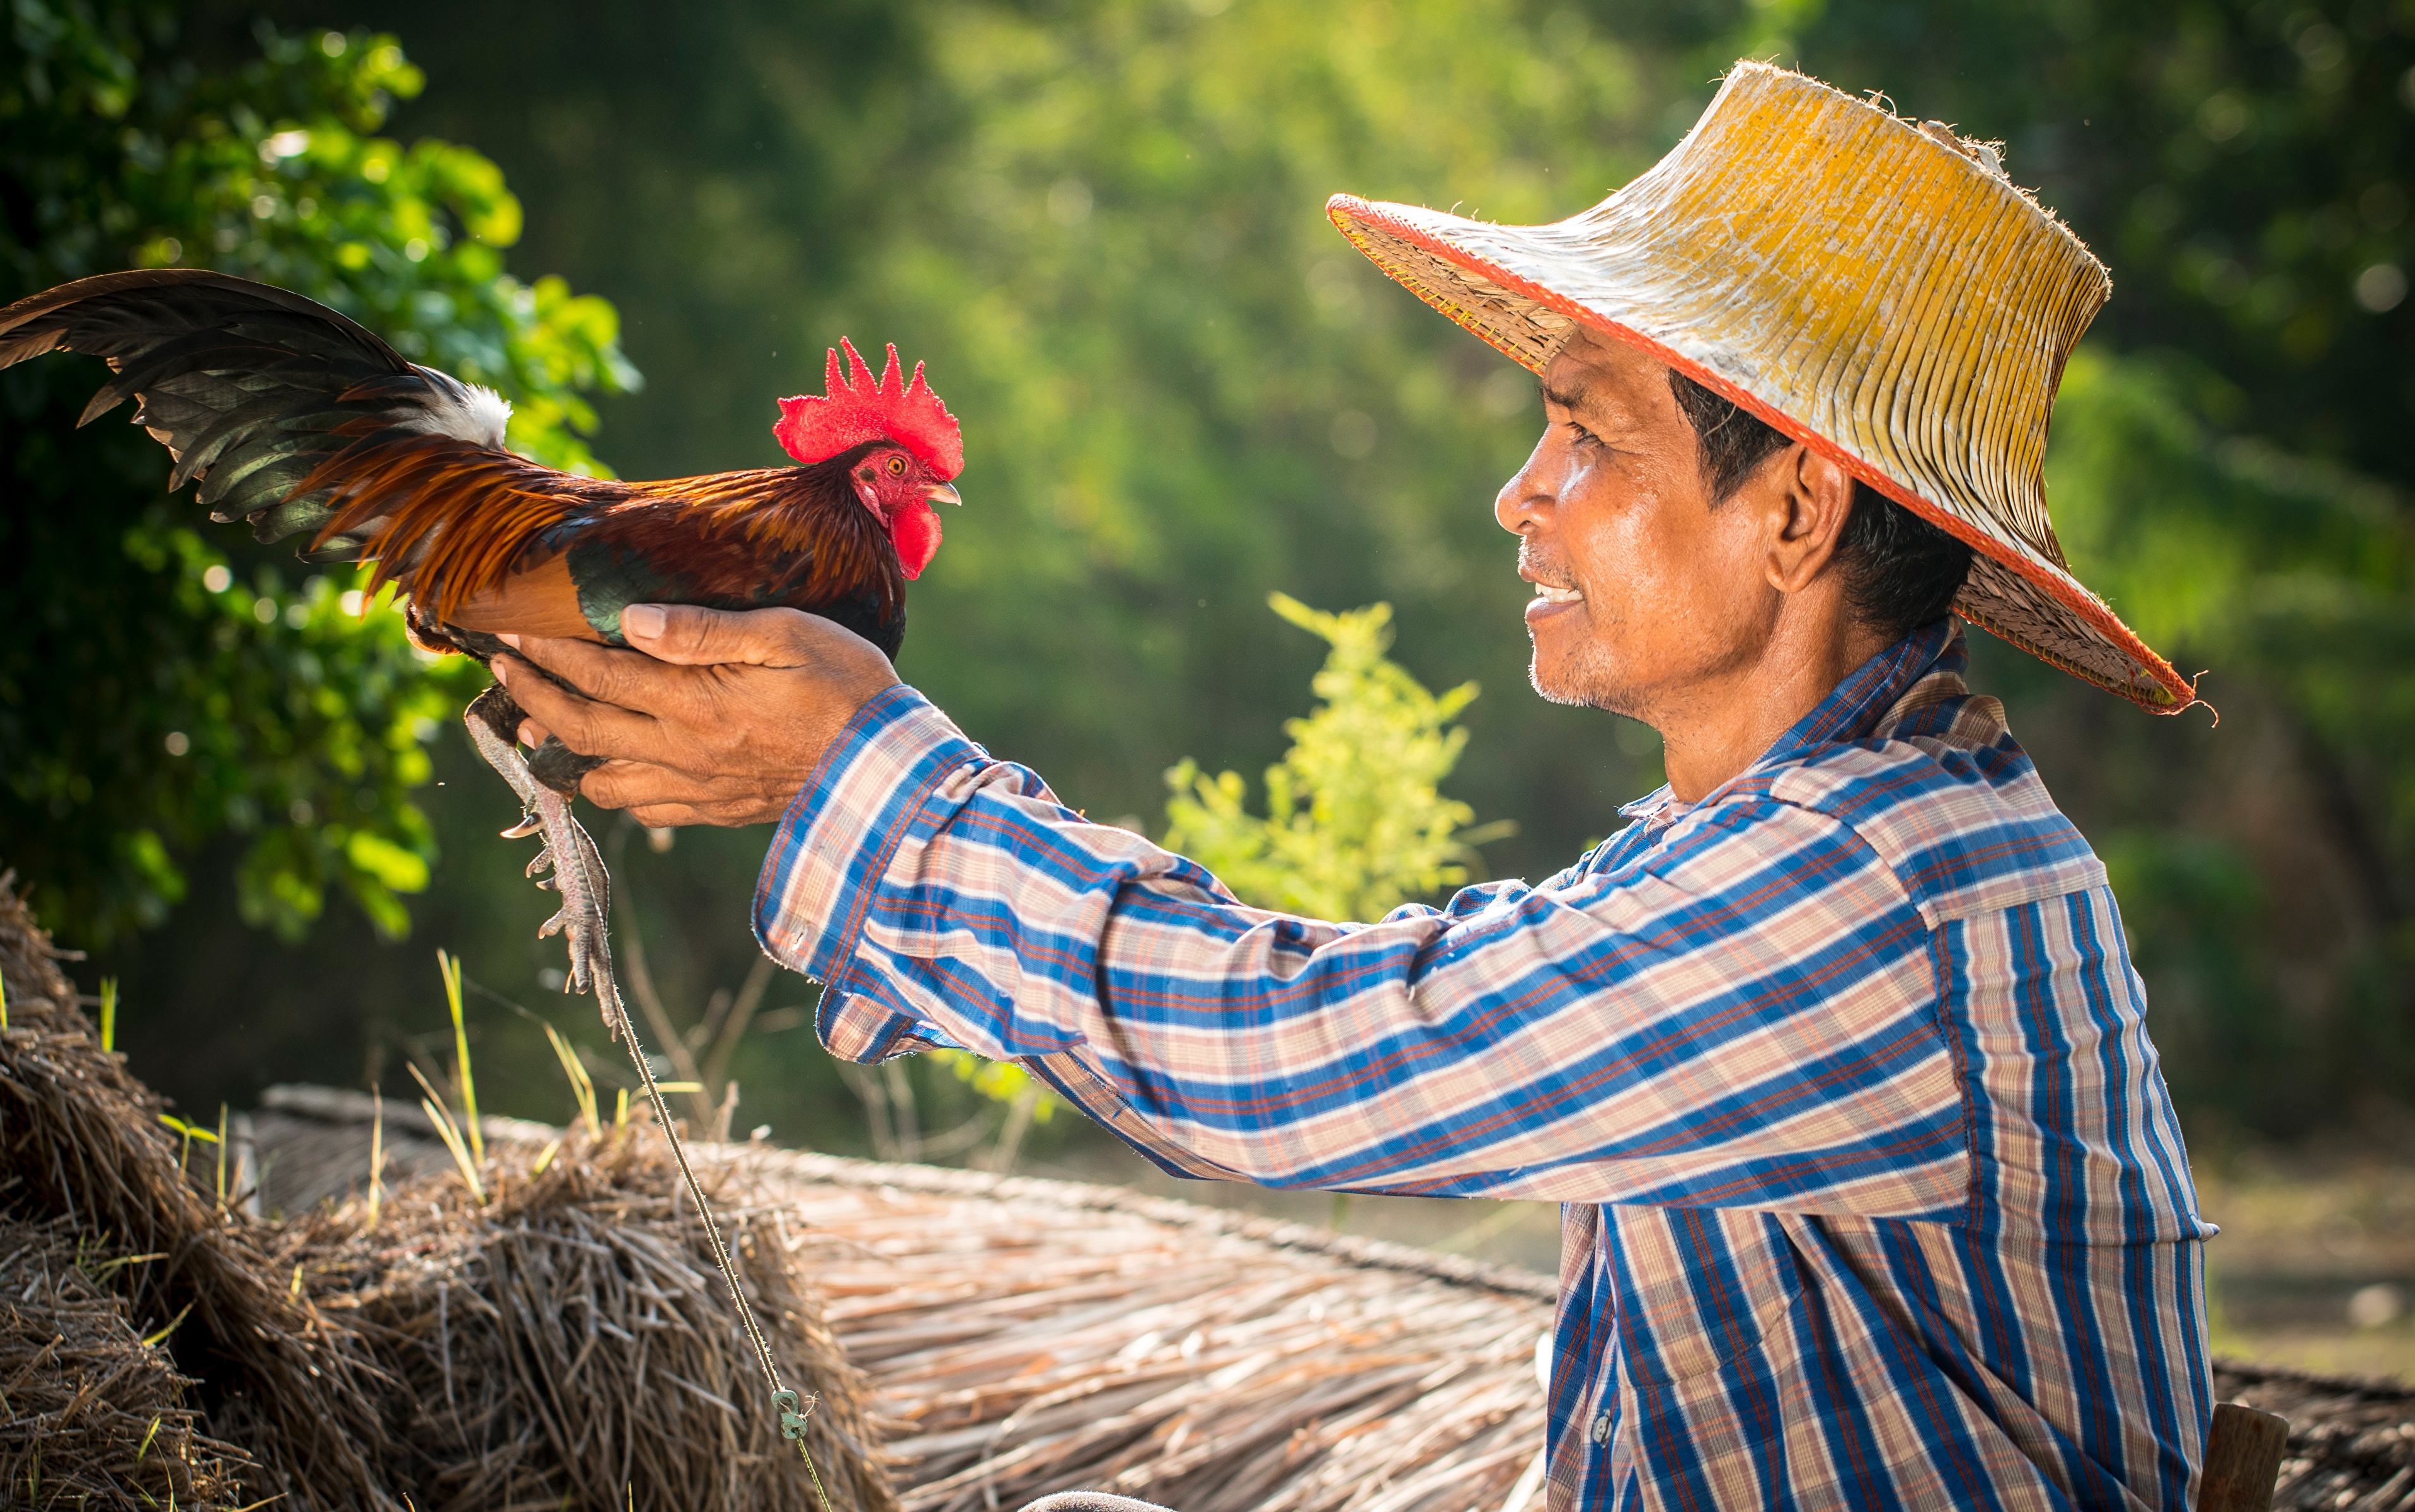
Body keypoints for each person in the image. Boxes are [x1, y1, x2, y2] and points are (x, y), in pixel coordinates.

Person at [495, 61, 2216, 1511]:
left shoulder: (1870, 890)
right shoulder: (1775, 840)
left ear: (1796, 513)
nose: (1520, 494)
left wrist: (864, 770)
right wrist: (860, 790)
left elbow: (1292, 1059)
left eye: (1589, 433)